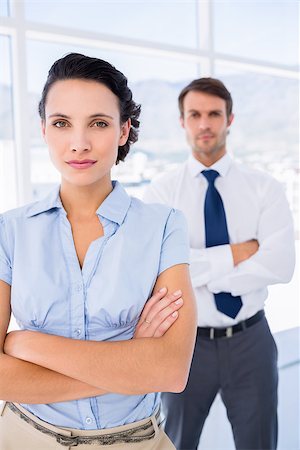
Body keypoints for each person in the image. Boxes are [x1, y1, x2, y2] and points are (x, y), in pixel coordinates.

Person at [0, 53, 197, 450]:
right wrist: (131, 363)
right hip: (24, 438)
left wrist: (28, 344)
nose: (79, 143)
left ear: (124, 131)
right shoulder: (9, 231)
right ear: (43, 130)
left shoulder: (163, 226)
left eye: (99, 123)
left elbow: (171, 370)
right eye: (61, 123)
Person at [143, 77, 295, 450]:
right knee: (175, 443)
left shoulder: (265, 188)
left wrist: (196, 271)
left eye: (214, 114)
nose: (205, 124)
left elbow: (281, 265)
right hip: (185, 345)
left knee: (258, 443)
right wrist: (236, 253)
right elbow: (158, 272)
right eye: (195, 114)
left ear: (230, 119)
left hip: (252, 342)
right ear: (182, 121)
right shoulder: (162, 192)